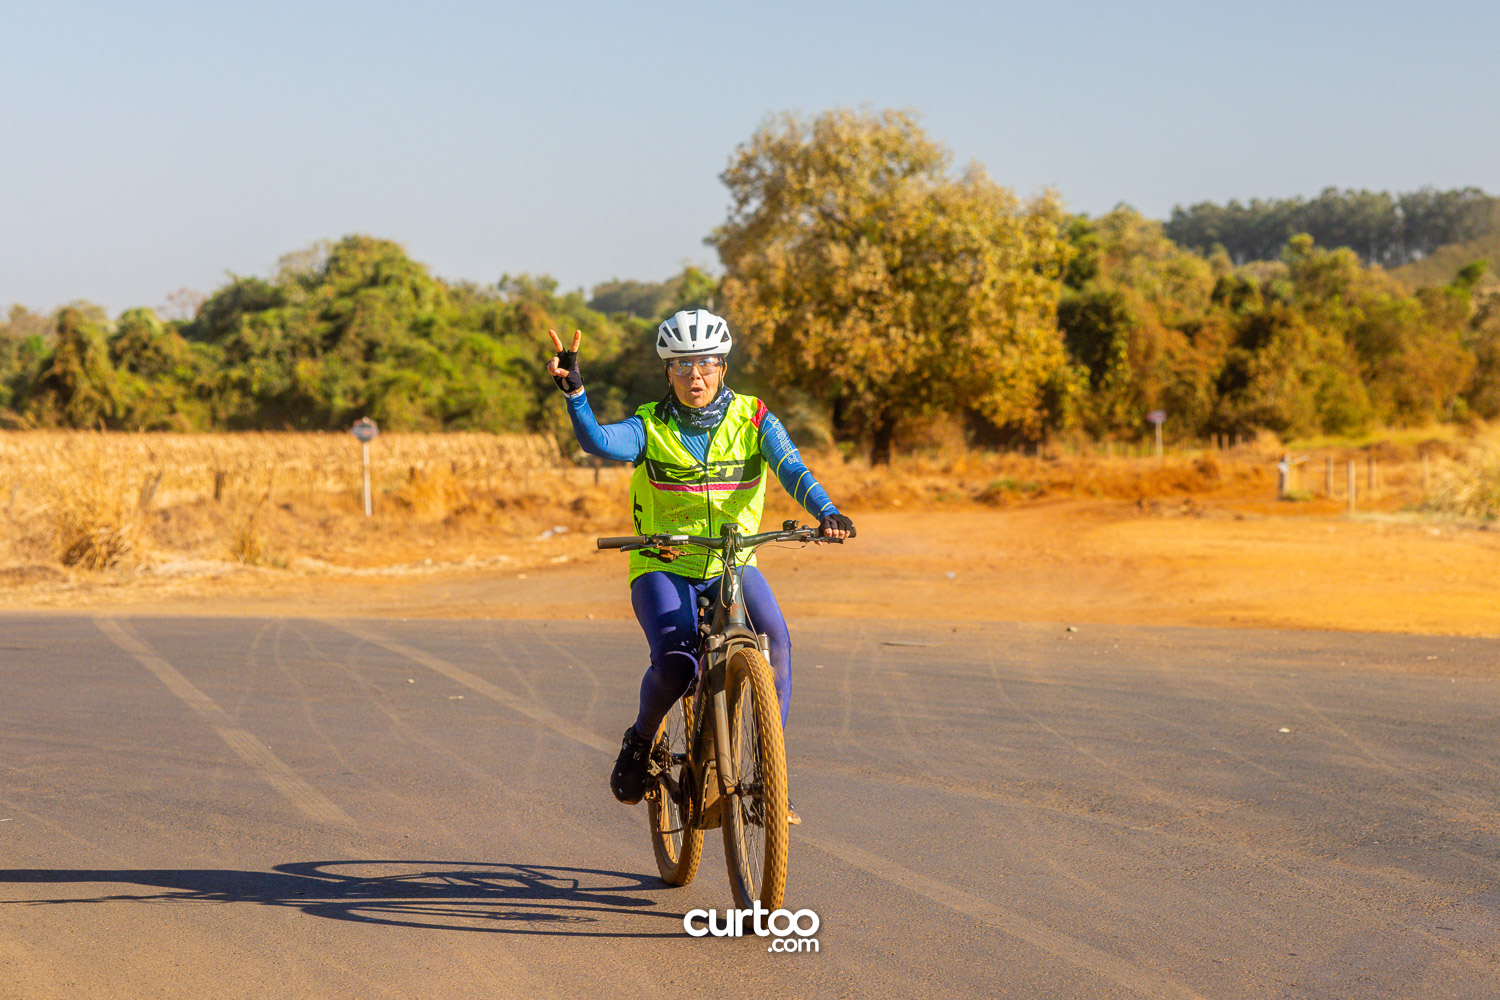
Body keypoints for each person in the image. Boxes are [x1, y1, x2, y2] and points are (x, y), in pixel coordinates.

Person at [546, 309, 855, 823]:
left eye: (707, 363)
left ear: (723, 367)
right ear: (667, 371)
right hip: (663, 562)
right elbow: (598, 441)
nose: (696, 376)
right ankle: (640, 740)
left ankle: (770, 776)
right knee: (677, 662)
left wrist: (826, 511)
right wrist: (576, 393)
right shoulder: (649, 424)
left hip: (732, 561)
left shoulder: (755, 419)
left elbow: (793, 469)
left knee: (777, 641)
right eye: (683, 365)